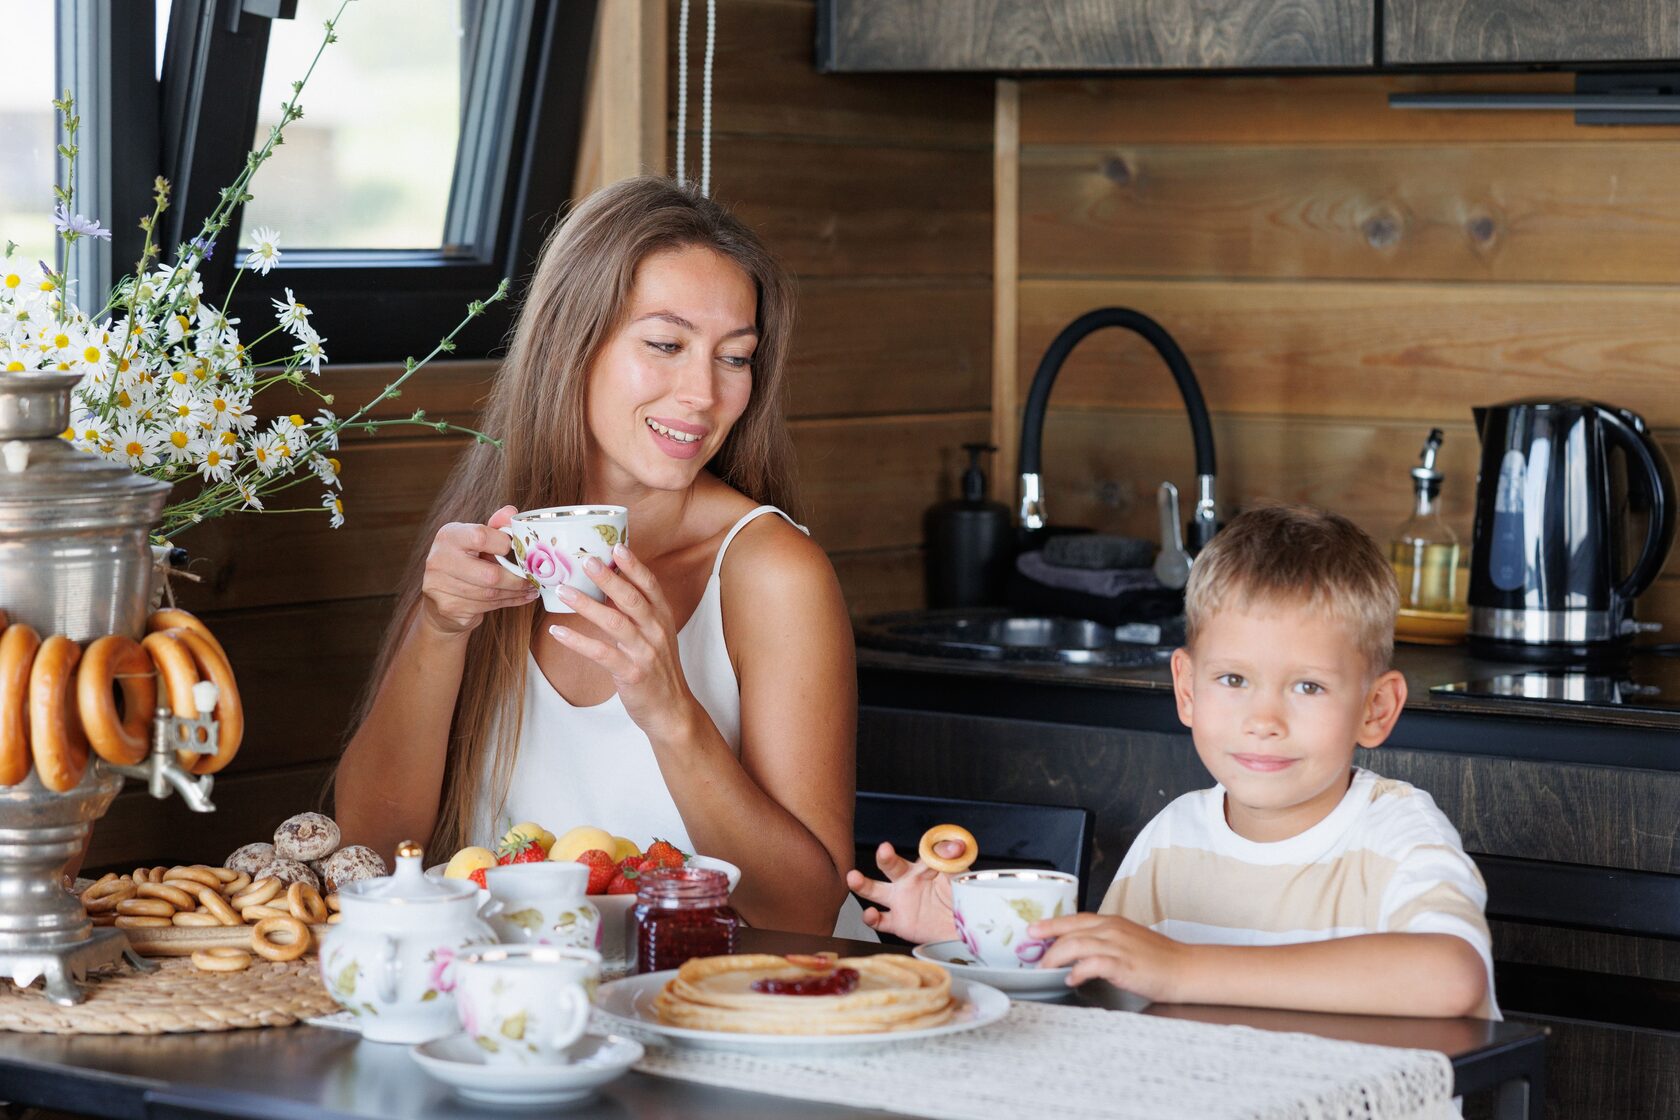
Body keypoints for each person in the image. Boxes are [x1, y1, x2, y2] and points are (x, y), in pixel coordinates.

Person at [334, 176, 864, 937]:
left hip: (731, 992)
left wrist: (671, 715)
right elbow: (374, 853)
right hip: (536, 993)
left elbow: (805, 913)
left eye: (735, 358)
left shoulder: (773, 573)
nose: (703, 393)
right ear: (569, 346)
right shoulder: (492, 547)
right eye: (666, 345)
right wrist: (441, 626)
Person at [851, 505, 1497, 1017]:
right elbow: (1099, 990)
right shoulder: (1172, 840)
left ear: (1376, 709)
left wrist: (1183, 967)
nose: (1263, 720)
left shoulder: (1397, 833)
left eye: (1308, 686)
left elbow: (1452, 976)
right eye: (1234, 680)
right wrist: (970, 931)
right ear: (1187, 690)